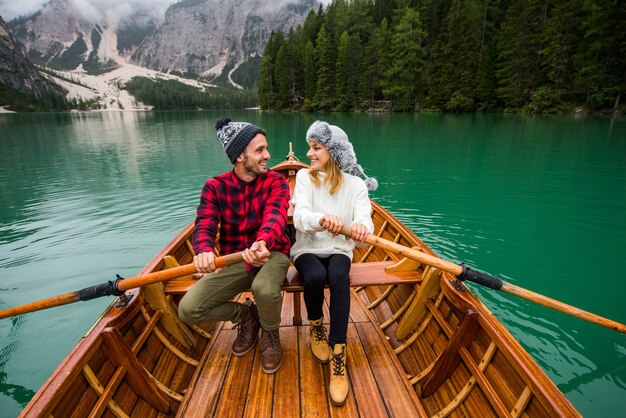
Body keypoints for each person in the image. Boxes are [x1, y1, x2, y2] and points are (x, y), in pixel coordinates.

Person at [178, 117, 291, 374]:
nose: (268, 155)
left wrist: (262, 241)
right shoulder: (214, 187)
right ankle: (245, 316)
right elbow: (205, 222)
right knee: (189, 309)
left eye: (266, 148)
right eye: (259, 150)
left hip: (271, 253)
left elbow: (276, 215)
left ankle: (270, 334)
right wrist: (204, 249)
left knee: (263, 288)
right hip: (234, 260)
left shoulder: (276, 182)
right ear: (240, 156)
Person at [290, 120, 378, 405]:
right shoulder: (305, 178)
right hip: (307, 247)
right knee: (314, 277)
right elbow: (300, 217)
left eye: (315, 148)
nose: (309, 154)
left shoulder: (355, 186)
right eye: (309, 148)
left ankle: (338, 350)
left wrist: (363, 227)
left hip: (340, 248)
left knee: (340, 277)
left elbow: (365, 221)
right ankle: (317, 326)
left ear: (333, 152)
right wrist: (321, 219)